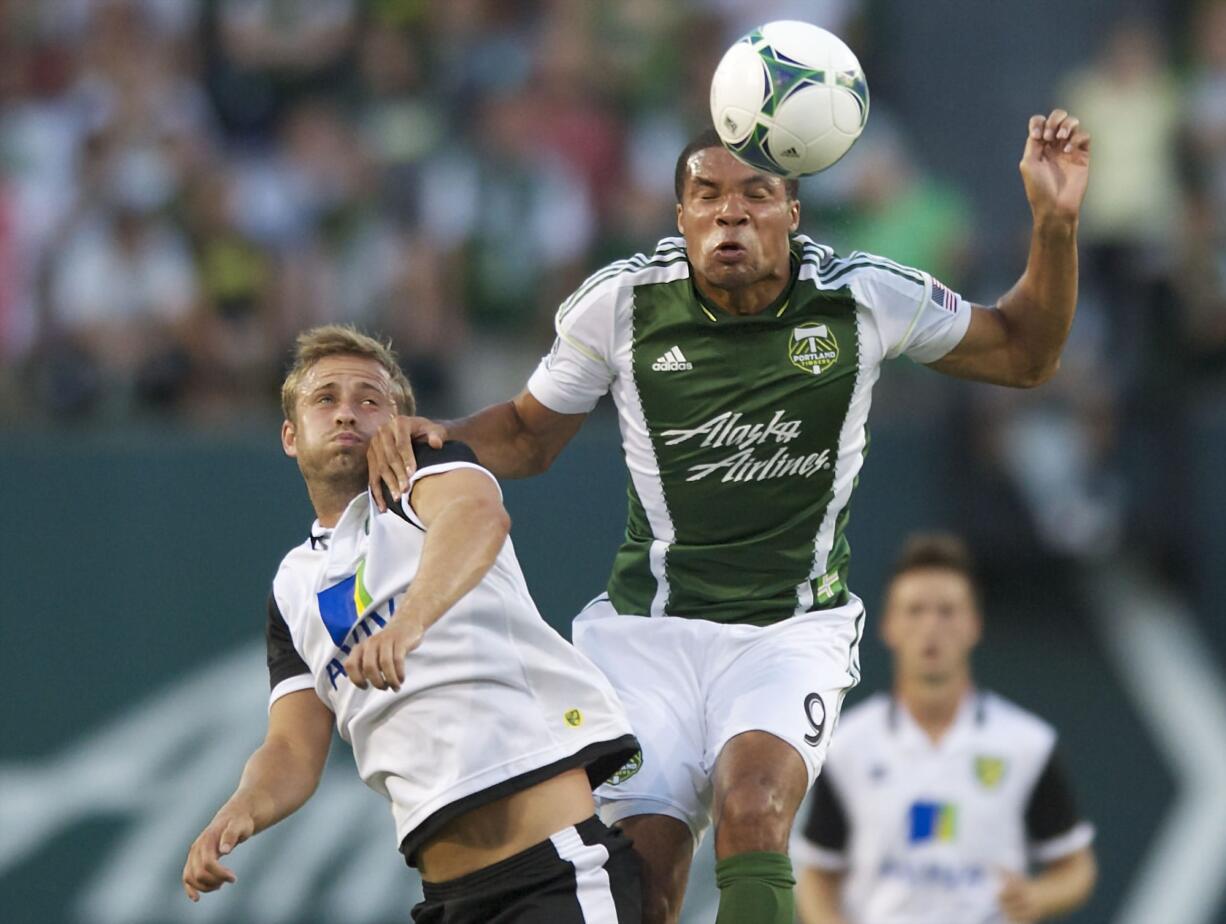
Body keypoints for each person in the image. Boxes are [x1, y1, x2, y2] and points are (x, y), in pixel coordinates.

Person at [366, 110, 1092, 924]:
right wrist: (444, 436)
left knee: (752, 812)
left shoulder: (862, 298)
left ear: (793, 214)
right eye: (705, 195)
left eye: (755, 194)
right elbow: (529, 438)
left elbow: (1025, 355)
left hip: (787, 632)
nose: (729, 212)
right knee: (645, 869)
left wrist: (1054, 223)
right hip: (648, 635)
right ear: (679, 218)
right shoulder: (620, 306)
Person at [181, 325, 643, 923]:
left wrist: (410, 623)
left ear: (399, 422)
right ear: (290, 436)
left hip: (553, 871)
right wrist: (239, 810)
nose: (348, 412)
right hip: (447, 900)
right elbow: (294, 747)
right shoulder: (291, 584)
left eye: (370, 400)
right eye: (326, 399)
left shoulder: (423, 473)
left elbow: (478, 518)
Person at [792, 533, 1097, 924]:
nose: (931, 627)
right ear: (888, 626)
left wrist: (1038, 895)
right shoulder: (847, 746)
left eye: (947, 611)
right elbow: (817, 869)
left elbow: (1076, 865)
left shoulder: (1026, 744)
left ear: (973, 625)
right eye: (915, 610)